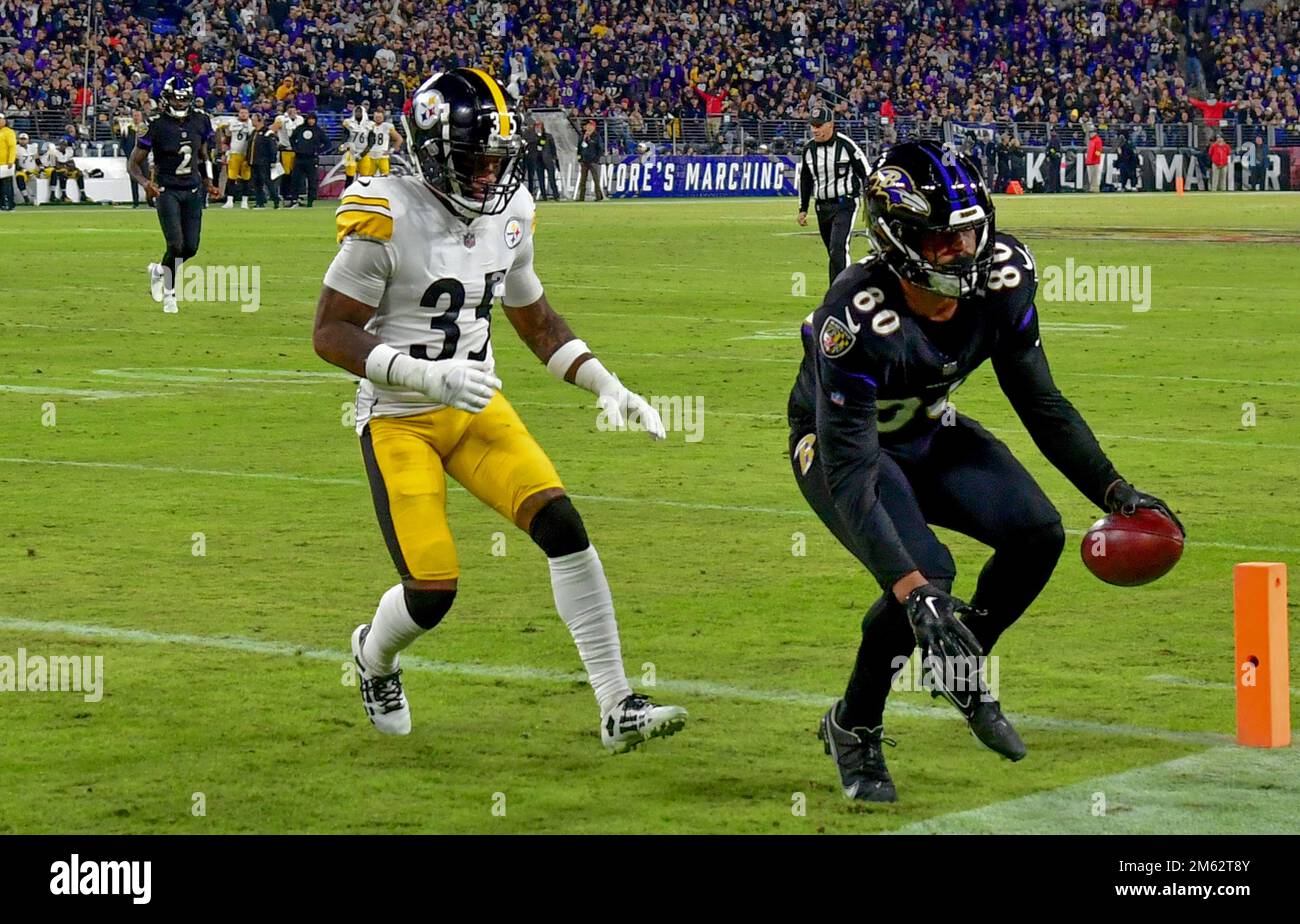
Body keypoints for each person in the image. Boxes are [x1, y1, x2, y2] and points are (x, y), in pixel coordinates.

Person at [788, 141, 1181, 803]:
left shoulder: (1002, 275)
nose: (964, 252)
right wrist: (916, 594)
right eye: (943, 241)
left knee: (1037, 533)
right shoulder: (854, 317)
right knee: (927, 579)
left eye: (970, 232)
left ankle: (957, 661)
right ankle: (854, 723)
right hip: (839, 449)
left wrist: (1114, 489)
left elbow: (1040, 400)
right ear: (898, 239)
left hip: (927, 428)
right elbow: (853, 476)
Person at [312, 68, 687, 753]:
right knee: (433, 589)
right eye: (475, 160)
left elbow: (537, 322)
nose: (489, 175)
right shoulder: (384, 214)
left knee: (565, 527)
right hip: (401, 418)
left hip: (479, 407)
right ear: (431, 150)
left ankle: (617, 704)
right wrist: (425, 375)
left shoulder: (510, 213)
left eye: (496, 159)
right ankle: (374, 657)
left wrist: (609, 386)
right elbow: (330, 334)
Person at [128, 75, 219, 314]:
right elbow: (133, 164)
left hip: (192, 189)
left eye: (183, 100)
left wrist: (209, 181)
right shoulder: (155, 124)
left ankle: (160, 269)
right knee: (176, 244)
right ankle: (170, 294)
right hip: (167, 190)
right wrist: (146, 183)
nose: (180, 104)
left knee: (190, 248)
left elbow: (203, 155)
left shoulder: (200, 120)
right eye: (176, 100)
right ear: (166, 99)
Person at [797, 106, 872, 287]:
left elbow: (866, 174)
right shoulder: (808, 150)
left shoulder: (846, 146)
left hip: (844, 203)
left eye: (819, 125)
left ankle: (841, 291)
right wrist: (803, 208)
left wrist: (871, 202)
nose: (815, 130)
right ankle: (840, 287)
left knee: (838, 248)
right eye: (812, 126)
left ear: (830, 125)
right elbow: (805, 180)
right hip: (822, 207)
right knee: (833, 252)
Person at [288, 112, 329, 207]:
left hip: (311, 159)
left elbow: (327, 143)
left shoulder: (318, 131)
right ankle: (294, 200)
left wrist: (318, 151)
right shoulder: (300, 129)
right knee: (295, 179)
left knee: (312, 181)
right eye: (309, 119)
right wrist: (295, 149)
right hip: (299, 158)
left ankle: (310, 201)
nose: (311, 121)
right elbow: (292, 139)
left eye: (313, 119)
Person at [222, 107, 255, 208]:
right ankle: (229, 200)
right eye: (242, 112)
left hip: (246, 154)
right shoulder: (232, 122)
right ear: (238, 113)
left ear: (248, 113)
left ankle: (244, 201)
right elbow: (227, 136)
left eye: (245, 112)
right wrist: (225, 152)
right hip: (234, 153)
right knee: (231, 177)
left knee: (246, 178)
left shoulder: (252, 123)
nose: (243, 114)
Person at [115, 110, 148, 207]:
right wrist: (128, 156)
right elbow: (123, 143)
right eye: (134, 116)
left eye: (138, 115)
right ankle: (135, 202)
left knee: (146, 179)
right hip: (132, 159)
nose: (136, 117)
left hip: (143, 158)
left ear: (141, 117)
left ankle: (150, 200)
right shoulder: (128, 129)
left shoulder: (145, 128)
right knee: (133, 180)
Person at [248, 113, 280, 208]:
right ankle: (260, 202)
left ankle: (275, 199)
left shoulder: (268, 133)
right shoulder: (254, 132)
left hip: (263, 161)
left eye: (254, 120)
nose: (252, 122)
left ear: (260, 120)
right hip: (253, 161)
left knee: (267, 181)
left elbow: (272, 147)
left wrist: (273, 160)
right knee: (256, 183)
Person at [273, 105, 304, 202]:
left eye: (293, 110)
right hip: (285, 149)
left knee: (296, 173)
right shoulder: (281, 119)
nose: (292, 112)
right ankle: (284, 193)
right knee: (286, 174)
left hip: (297, 150)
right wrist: (277, 141)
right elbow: (274, 129)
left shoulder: (300, 119)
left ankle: (295, 193)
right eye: (290, 110)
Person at [364, 107, 401, 176]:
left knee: (385, 177)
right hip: (371, 155)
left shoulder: (387, 126)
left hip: (382, 155)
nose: (378, 118)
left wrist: (391, 150)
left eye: (380, 117)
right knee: (368, 178)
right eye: (376, 117)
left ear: (383, 117)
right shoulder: (370, 126)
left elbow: (399, 139)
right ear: (374, 117)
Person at [341, 105, 373, 182]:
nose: (358, 113)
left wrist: (363, 153)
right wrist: (347, 148)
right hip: (351, 152)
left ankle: (364, 193)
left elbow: (371, 141)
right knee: (349, 175)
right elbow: (344, 138)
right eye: (356, 111)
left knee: (365, 177)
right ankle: (349, 192)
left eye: (360, 112)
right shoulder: (348, 123)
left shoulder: (370, 124)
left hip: (364, 152)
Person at [576, 120, 604, 201]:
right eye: (587, 125)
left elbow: (600, 149)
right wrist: (579, 158)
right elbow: (579, 148)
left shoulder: (596, 136)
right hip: (584, 161)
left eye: (590, 125)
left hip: (593, 161)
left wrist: (596, 159)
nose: (588, 127)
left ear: (593, 127)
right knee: (583, 180)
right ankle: (581, 197)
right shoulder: (582, 136)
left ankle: (598, 196)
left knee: (596, 179)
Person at [537, 120, 560, 200]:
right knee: (540, 179)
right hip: (538, 160)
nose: (538, 127)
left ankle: (556, 195)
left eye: (539, 125)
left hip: (548, 159)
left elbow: (553, 148)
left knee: (551, 178)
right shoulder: (533, 136)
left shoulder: (548, 136)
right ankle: (544, 196)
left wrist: (554, 157)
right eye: (537, 125)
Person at [14, 132, 38, 205]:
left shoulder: (33, 147)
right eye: (21, 139)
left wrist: (41, 168)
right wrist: (26, 171)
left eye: (24, 139)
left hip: (33, 170)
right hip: (22, 170)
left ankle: (36, 198)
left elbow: (37, 159)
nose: (23, 141)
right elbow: (16, 164)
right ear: (18, 140)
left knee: (38, 179)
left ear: (28, 140)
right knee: (19, 177)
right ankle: (26, 198)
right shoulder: (16, 148)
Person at [0, 114, 15, 211]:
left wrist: (11, 160)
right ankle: (1, 204)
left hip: (5, 164)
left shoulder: (9, 132)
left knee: (6, 185)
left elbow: (12, 147)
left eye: (1, 119)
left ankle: (9, 203)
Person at [1085, 127, 1103, 192]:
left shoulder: (1097, 140)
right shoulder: (1091, 140)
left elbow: (1098, 150)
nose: (1091, 134)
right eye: (1090, 132)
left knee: (1094, 176)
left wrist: (1095, 159)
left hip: (1094, 161)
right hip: (1090, 161)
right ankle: (1092, 188)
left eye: (1092, 132)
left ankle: (1095, 188)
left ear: (1095, 133)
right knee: (1092, 176)